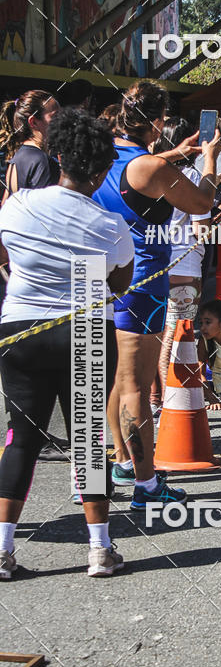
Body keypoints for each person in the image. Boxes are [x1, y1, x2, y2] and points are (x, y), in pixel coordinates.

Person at [0, 108, 134, 580]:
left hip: (21, 327)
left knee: (21, 438)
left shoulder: (16, 206)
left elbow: (5, 253)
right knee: (87, 441)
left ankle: (2, 549)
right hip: (85, 329)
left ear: (57, 155)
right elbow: (118, 283)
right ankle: (100, 548)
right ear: (101, 172)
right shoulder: (111, 225)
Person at [92, 80, 219, 507]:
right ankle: (146, 484)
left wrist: (175, 153)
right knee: (137, 385)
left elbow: (137, 170)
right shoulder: (151, 167)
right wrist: (209, 159)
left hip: (100, 274)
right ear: (158, 121)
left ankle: (123, 461)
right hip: (141, 279)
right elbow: (203, 203)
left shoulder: (104, 154)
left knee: (117, 379)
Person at [0, 90, 69, 462]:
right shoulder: (40, 161)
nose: (59, 116)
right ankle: (88, 484)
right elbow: (48, 221)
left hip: (18, 272)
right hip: (44, 276)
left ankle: (27, 430)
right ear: (34, 122)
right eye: (53, 112)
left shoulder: (16, 160)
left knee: (25, 365)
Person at [151, 118, 213, 410]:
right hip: (185, 266)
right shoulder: (189, 177)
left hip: (152, 266)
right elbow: (202, 230)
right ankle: (170, 406)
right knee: (176, 339)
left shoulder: (150, 176)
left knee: (154, 336)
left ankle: (156, 398)